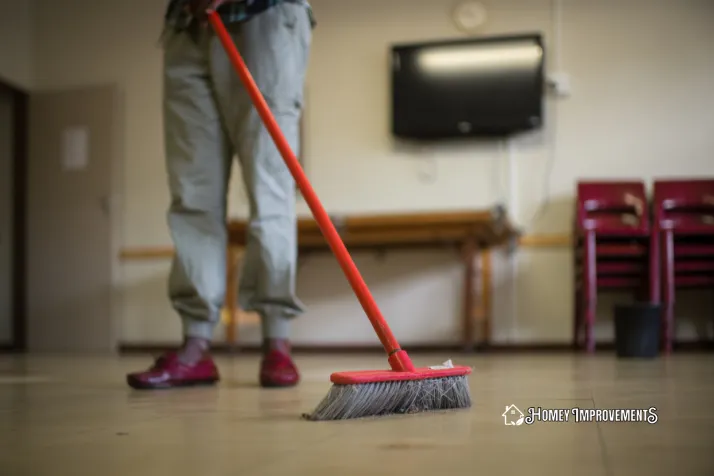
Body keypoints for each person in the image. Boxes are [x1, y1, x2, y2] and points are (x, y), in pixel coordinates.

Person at [127, 0, 315, 390]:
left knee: (270, 187)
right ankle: (195, 344)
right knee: (191, 190)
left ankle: (277, 341)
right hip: (187, 22)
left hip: (264, 18)